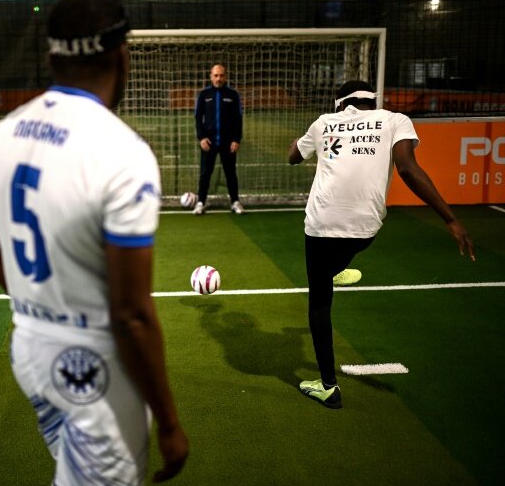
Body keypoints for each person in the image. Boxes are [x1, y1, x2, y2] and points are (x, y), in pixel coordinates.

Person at [0, 0, 188, 484]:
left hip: (29, 347)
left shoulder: (3, 133)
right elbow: (132, 315)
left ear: (52, 55)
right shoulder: (123, 152)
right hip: (92, 366)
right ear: (122, 54)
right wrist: (170, 423)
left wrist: (45, 309)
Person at [288, 80, 475, 409]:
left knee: (319, 302)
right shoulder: (394, 119)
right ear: (371, 101)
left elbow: (293, 157)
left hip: (320, 225)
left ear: (340, 103)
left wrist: (305, 143)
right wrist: (450, 218)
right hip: (366, 228)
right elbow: (407, 168)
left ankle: (328, 387)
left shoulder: (324, 123)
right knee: (347, 249)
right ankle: (335, 269)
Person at [193, 63, 244, 215]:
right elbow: (197, 118)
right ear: (211, 76)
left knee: (230, 173)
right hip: (209, 142)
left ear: (225, 76)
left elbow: (238, 119)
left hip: (228, 143)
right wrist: (201, 137)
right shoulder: (204, 95)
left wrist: (236, 139)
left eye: (221, 75)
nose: (218, 78)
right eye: (216, 75)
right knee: (205, 174)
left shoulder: (233, 95)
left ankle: (235, 202)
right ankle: (201, 202)